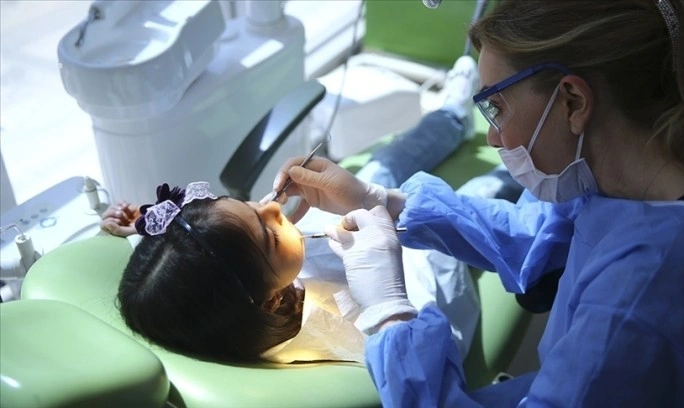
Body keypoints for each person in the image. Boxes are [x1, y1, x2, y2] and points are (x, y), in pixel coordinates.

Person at [268, 0, 684, 406]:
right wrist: (382, 201)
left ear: (572, 101)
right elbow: (534, 236)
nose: (491, 136)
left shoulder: (644, 292)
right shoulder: (615, 185)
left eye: (496, 108)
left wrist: (390, 316)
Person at [105, 54, 512, 364]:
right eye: (268, 233)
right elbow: (416, 358)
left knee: (382, 166)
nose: (272, 209)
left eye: (250, 206)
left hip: (345, 240)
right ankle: (512, 163)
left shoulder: (211, 284)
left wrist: (141, 227)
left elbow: (177, 262)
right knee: (475, 195)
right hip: (420, 275)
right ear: (269, 301)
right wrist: (386, 301)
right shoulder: (338, 324)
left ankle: (451, 114)